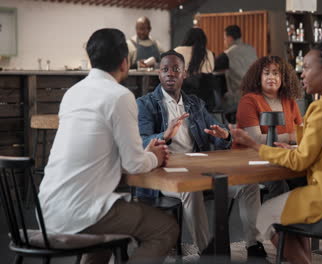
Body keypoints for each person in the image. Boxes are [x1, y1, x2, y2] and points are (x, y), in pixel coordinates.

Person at [231, 36, 322, 264]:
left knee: (266, 214)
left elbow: (300, 161)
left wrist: (256, 146)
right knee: (287, 213)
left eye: (307, 68)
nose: (301, 74)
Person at [38, 28, 178, 264]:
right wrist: (154, 156)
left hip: (47, 209)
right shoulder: (119, 96)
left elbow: (100, 150)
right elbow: (134, 164)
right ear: (125, 63)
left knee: (108, 234)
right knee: (166, 229)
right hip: (82, 212)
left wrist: (143, 155)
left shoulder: (72, 93)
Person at [135, 50, 267, 258]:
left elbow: (216, 134)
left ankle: (253, 245)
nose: (170, 73)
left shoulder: (195, 103)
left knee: (249, 185)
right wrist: (165, 135)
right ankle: (209, 253)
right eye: (165, 69)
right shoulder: (145, 104)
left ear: (184, 74)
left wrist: (223, 136)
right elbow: (143, 141)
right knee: (192, 188)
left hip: (199, 169)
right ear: (158, 74)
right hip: (164, 172)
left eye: (176, 69)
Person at [235, 55, 303, 199]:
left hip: (281, 160)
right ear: (258, 77)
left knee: (307, 177)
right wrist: (291, 137)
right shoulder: (249, 101)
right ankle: (273, 221)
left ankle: (296, 219)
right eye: (266, 73)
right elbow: (255, 139)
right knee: (279, 184)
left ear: (283, 78)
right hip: (252, 162)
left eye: (276, 73)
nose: (271, 77)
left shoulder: (289, 101)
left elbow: (302, 132)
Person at [214, 25, 257, 122]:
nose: (224, 42)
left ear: (229, 38)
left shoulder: (229, 54)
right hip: (256, 96)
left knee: (214, 110)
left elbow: (211, 66)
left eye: (224, 39)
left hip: (239, 98)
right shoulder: (251, 49)